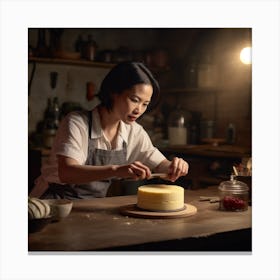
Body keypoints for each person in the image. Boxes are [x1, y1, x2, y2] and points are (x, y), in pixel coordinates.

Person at [30, 61, 189, 199]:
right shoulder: (77, 122)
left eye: (145, 104)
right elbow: (67, 172)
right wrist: (116, 170)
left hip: (92, 206)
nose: (139, 110)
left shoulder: (134, 131)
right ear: (114, 92)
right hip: (53, 202)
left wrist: (175, 166)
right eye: (134, 100)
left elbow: (161, 165)